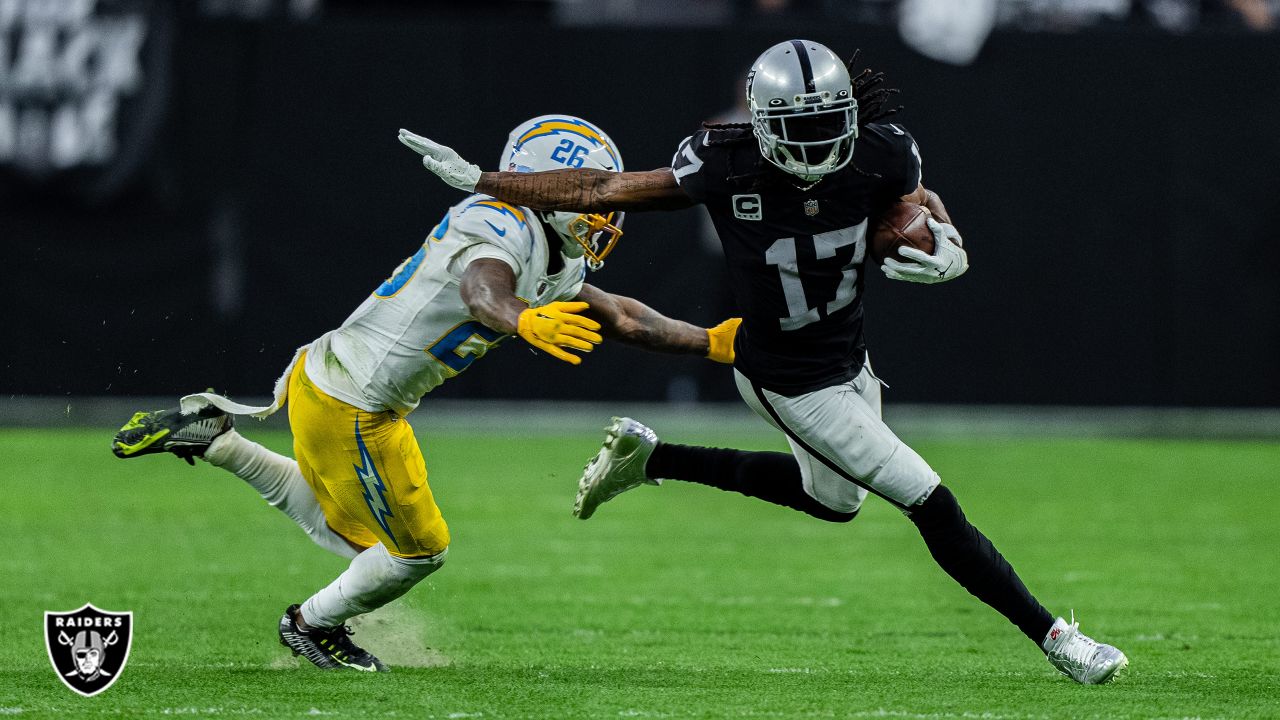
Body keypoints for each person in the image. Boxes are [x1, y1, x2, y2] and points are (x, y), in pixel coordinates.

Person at [398, 41, 1128, 684]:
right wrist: (487, 180)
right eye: (797, 129)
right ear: (760, 124)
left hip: (847, 357)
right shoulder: (722, 160)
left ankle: (652, 461)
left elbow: (916, 203)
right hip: (787, 377)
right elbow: (600, 188)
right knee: (928, 499)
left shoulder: (884, 149)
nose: (814, 145)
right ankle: (1059, 640)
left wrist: (950, 244)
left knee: (834, 502)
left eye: (824, 125)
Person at [111, 115, 740, 673]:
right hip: (352, 403)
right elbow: (481, 289)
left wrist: (711, 342)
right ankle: (309, 626)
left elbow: (624, 318)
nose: (602, 211)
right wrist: (521, 317)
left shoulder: (556, 250)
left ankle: (219, 443)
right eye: (585, 193)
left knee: (368, 546)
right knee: (415, 554)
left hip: (347, 391)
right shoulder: (499, 221)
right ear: (544, 187)